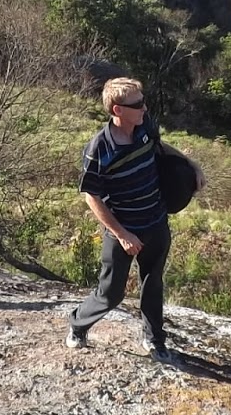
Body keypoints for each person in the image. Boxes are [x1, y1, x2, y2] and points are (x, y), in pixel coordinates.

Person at [65, 77, 204, 361]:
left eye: (143, 101)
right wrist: (122, 234)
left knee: (153, 285)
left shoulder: (145, 127)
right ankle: (78, 324)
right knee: (111, 293)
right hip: (123, 231)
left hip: (156, 223)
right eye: (137, 104)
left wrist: (191, 164)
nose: (144, 107)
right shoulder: (99, 150)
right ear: (117, 110)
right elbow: (91, 197)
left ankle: (154, 340)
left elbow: (160, 147)